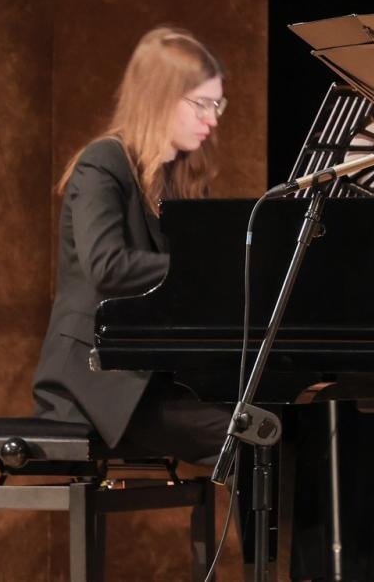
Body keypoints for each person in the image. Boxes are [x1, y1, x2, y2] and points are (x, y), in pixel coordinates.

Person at [31, 25, 233, 464]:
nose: (213, 119)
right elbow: (107, 266)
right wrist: (208, 271)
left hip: (148, 377)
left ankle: (286, 537)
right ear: (159, 97)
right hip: (96, 383)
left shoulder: (177, 182)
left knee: (273, 422)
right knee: (250, 436)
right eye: (202, 104)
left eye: (218, 104)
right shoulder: (102, 162)